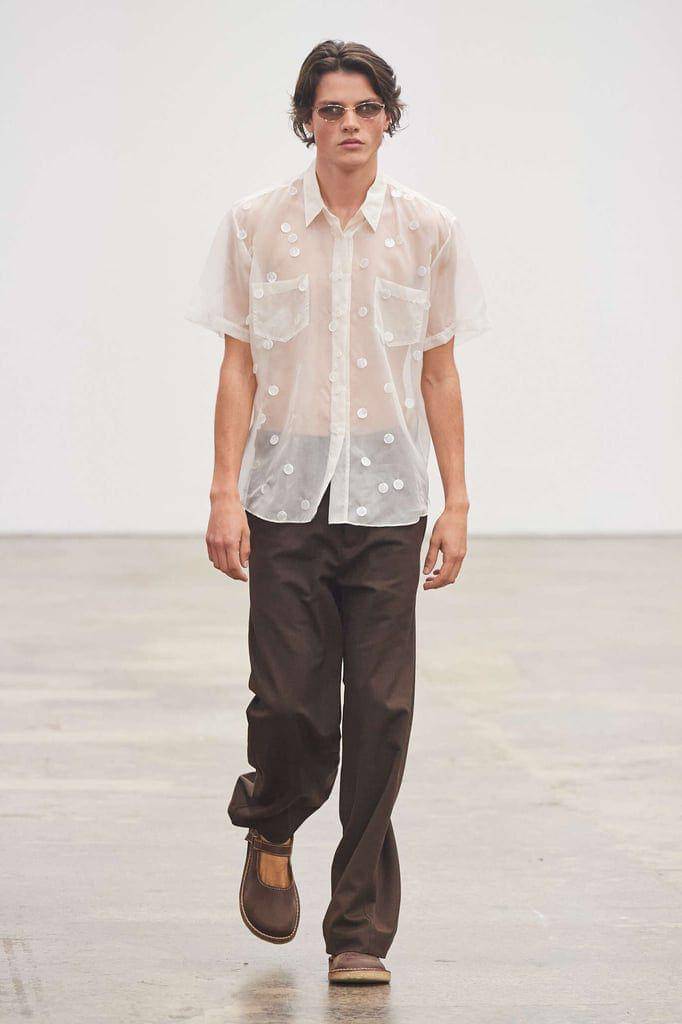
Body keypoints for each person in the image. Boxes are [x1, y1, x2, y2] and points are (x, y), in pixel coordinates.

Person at [185, 38, 492, 985]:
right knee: (290, 704)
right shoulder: (256, 225)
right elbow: (238, 366)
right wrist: (224, 491)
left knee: (383, 714)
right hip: (285, 496)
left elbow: (439, 373)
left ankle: (358, 929)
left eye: (365, 108)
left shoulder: (429, 230)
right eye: (331, 110)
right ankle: (272, 822)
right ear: (306, 122)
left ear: (387, 119)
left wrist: (457, 502)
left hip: (389, 499)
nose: (349, 124)